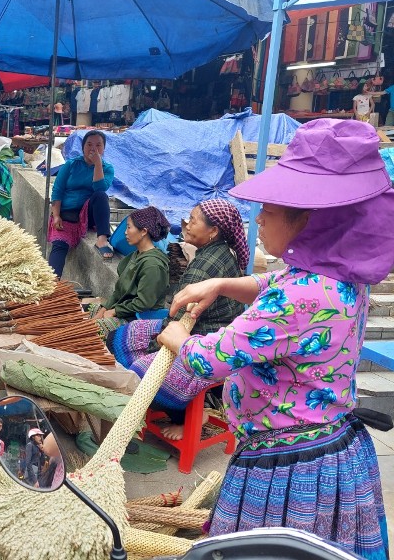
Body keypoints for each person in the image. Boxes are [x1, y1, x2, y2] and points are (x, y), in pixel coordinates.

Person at [157, 119, 393, 558]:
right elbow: (272, 287)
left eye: (271, 207)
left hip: (286, 468)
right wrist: (222, 285)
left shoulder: (300, 297)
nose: (259, 216)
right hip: (334, 451)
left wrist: (175, 337)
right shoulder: (338, 278)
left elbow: (211, 360)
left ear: (312, 220)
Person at [109, 199, 247, 440]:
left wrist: (154, 347)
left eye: (193, 220)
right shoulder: (215, 251)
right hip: (195, 326)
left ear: (213, 231)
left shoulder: (205, 266)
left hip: (207, 339)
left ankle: (186, 417)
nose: (187, 224)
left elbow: (178, 320)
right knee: (124, 335)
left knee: (142, 372)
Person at [90, 207, 170, 340]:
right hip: (125, 310)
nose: (125, 233)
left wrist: (115, 311)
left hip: (138, 318)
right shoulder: (135, 255)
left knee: (94, 329)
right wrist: (104, 309)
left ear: (144, 231)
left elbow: (143, 303)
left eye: (129, 228)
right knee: (90, 311)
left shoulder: (153, 265)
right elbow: (119, 292)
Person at [48, 130, 115, 277]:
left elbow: (100, 188)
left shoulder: (107, 168)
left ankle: (102, 240)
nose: (93, 148)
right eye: (89, 144)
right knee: (59, 245)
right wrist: (56, 215)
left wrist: (98, 164)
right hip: (67, 214)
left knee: (101, 195)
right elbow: (58, 190)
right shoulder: (71, 165)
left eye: (98, 145)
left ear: (103, 148)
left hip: (88, 213)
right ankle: (51, 283)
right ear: (83, 147)